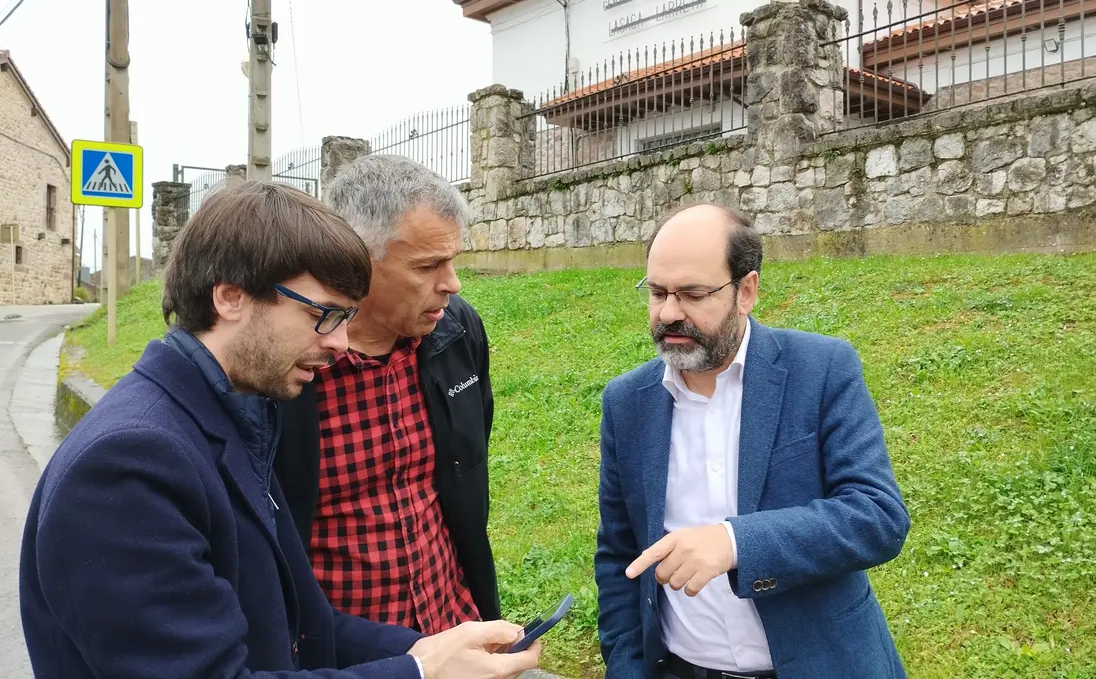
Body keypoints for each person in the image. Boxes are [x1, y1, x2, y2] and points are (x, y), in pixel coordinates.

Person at [19, 181, 539, 679]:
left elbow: (296, 628)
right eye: (325, 315)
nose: (340, 344)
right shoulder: (127, 465)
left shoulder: (235, 414)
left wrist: (426, 648)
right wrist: (420, 671)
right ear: (230, 298)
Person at [594, 203, 910, 679]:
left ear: (747, 290)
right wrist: (627, 667)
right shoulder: (627, 402)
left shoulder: (821, 370)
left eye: (694, 294)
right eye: (658, 293)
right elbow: (620, 556)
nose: (669, 313)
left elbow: (877, 517)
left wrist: (735, 542)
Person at [274, 154, 498, 635]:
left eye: (453, 260)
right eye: (427, 265)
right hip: (336, 655)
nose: (452, 284)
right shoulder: (286, 366)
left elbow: (465, 471)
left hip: (450, 629)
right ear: (356, 260)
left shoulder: (458, 332)